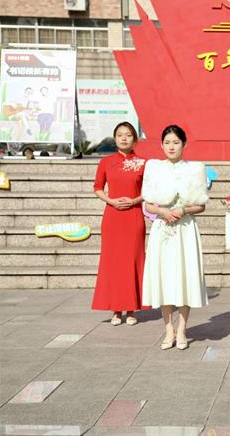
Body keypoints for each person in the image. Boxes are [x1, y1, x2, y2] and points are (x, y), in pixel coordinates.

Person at [141, 125, 209, 350]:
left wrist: (183, 210)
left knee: (185, 277)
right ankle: (168, 329)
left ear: (184, 144)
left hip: (185, 229)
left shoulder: (195, 169)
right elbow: (148, 203)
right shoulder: (154, 168)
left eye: (176, 142)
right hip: (162, 228)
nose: (171, 147)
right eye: (167, 142)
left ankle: (182, 330)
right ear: (161, 145)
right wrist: (162, 211)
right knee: (164, 277)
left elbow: (201, 205)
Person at [92, 122, 147, 325]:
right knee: (113, 263)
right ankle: (115, 310)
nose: (124, 138)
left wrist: (134, 200)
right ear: (115, 138)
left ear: (135, 139)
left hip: (134, 216)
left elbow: (149, 190)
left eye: (128, 135)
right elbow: (98, 187)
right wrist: (111, 201)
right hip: (112, 217)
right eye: (120, 135)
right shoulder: (106, 162)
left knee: (132, 261)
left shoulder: (143, 163)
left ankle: (131, 309)